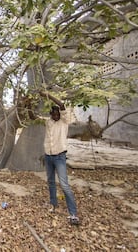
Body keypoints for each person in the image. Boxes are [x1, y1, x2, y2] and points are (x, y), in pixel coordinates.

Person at [40, 91, 80, 225]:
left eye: (58, 114)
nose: (56, 116)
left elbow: (62, 105)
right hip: (49, 156)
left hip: (59, 157)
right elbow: (33, 117)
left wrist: (48, 95)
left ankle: (73, 213)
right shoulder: (49, 122)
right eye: (54, 114)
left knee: (64, 184)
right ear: (51, 115)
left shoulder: (64, 121)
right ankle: (53, 204)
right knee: (50, 182)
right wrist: (26, 103)